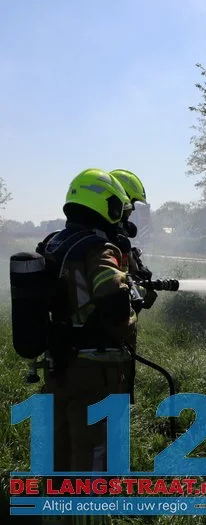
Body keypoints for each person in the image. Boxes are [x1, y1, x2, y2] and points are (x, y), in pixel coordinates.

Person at [37, 168, 137, 486]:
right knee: (95, 455)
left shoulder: (53, 243)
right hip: (95, 370)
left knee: (58, 452)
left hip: (57, 364)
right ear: (106, 204)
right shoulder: (97, 248)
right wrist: (129, 316)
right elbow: (114, 296)